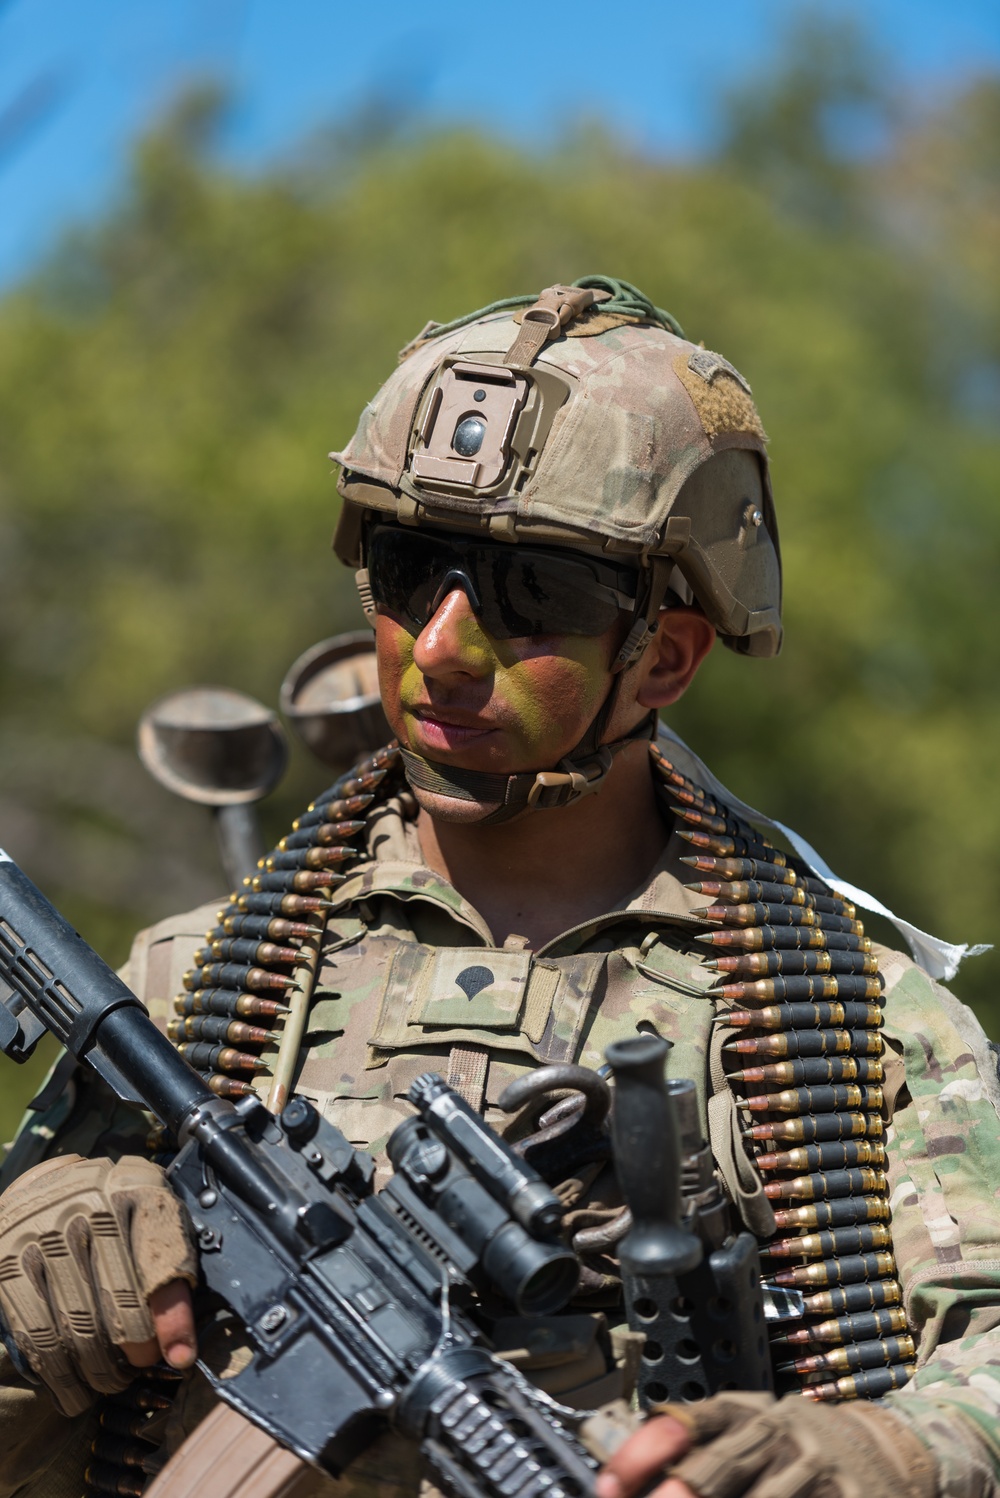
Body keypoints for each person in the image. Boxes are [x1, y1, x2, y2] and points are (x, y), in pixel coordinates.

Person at [1, 276, 999, 1498]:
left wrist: (877, 1450)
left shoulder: (849, 1024)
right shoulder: (192, 985)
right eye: (414, 569)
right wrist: (41, 1252)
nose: (440, 648)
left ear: (666, 655)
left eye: (537, 595)